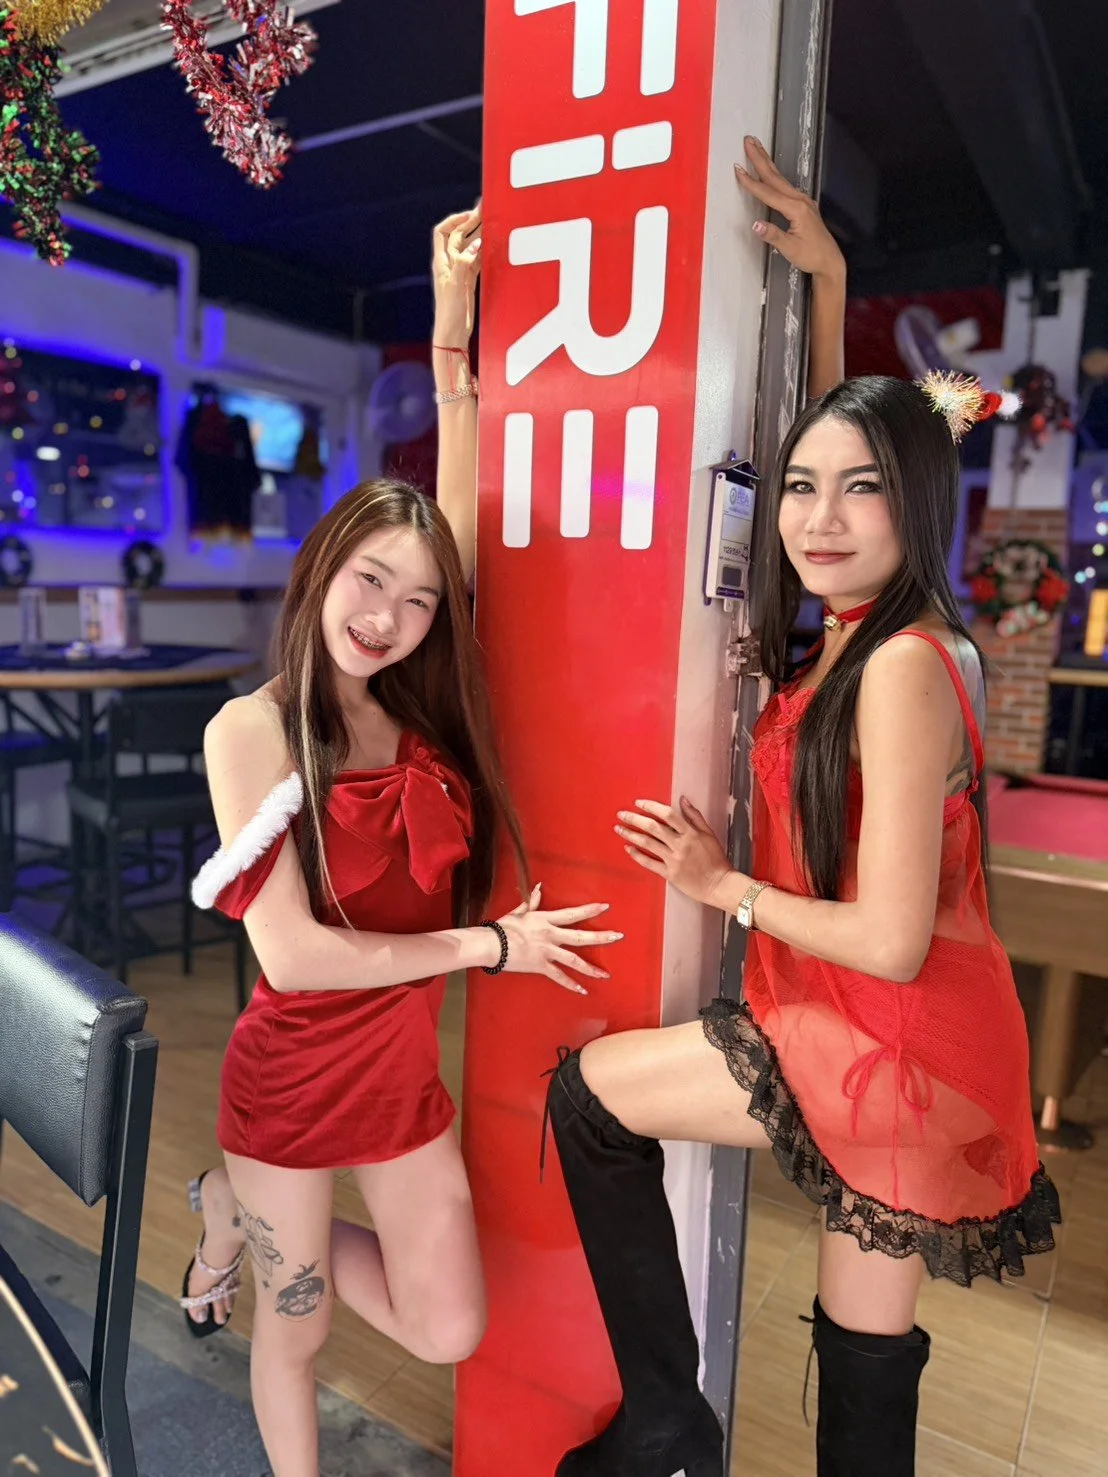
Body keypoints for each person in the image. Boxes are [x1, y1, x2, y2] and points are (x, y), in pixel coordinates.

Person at [545, 285, 1062, 1474]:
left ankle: (666, 1416)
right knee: (861, 1352)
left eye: (863, 487)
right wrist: (827, 285)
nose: (819, 517)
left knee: (587, 1099)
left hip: (884, 1031)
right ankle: (670, 1416)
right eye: (798, 486)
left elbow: (887, 940)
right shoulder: (879, 628)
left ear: (918, 497)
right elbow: (847, 435)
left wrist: (719, 883)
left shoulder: (897, 665)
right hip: (902, 1039)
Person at [178, 207, 623, 1477]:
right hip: (292, 1077)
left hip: (397, 1082)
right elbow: (300, 960)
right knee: (296, 1332)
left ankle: (234, 1217)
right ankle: (244, 1215)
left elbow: (459, 514)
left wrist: (449, 340)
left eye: (419, 598)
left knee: (449, 1322)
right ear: (321, 570)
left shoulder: (414, 704)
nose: (392, 614)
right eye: (369, 579)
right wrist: (492, 944)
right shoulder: (249, 731)